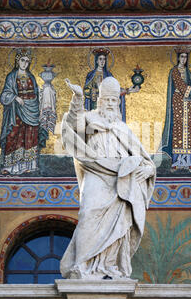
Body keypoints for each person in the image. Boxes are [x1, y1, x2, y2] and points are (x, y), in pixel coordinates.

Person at [60, 76, 155, 280]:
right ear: (100, 100)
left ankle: (108, 266)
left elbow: (144, 158)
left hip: (121, 177)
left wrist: (148, 170)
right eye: (107, 100)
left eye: (114, 100)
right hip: (96, 170)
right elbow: (73, 125)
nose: (111, 104)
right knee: (88, 213)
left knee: (119, 225)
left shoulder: (122, 128)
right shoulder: (89, 118)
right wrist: (77, 97)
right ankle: (82, 266)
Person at [0, 49, 48, 175]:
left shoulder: (31, 76)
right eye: (22, 60)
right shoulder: (12, 76)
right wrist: (15, 98)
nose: (25, 63)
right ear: (17, 61)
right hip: (16, 110)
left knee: (30, 136)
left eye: (27, 61)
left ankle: (28, 165)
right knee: (14, 134)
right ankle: (12, 166)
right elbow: (4, 94)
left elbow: (36, 93)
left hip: (31, 110)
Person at [84, 47, 139, 122]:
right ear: (96, 61)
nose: (102, 61)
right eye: (100, 59)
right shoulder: (91, 75)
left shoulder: (108, 75)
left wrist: (128, 90)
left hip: (107, 104)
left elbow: (114, 90)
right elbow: (86, 91)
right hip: (95, 103)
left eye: (104, 59)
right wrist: (94, 91)